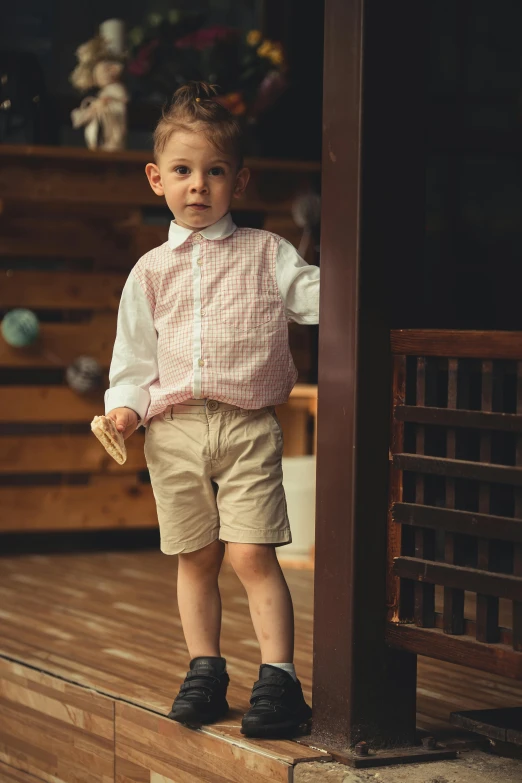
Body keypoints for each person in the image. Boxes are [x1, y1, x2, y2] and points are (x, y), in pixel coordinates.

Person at [104, 81, 319, 739]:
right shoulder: (148, 272)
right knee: (196, 555)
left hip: (247, 425)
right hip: (173, 431)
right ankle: (205, 669)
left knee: (251, 554)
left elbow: (328, 300)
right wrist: (123, 410)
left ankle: (278, 677)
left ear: (239, 180)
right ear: (156, 178)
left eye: (215, 171)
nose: (198, 185)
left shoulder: (267, 255)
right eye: (183, 171)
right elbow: (134, 362)